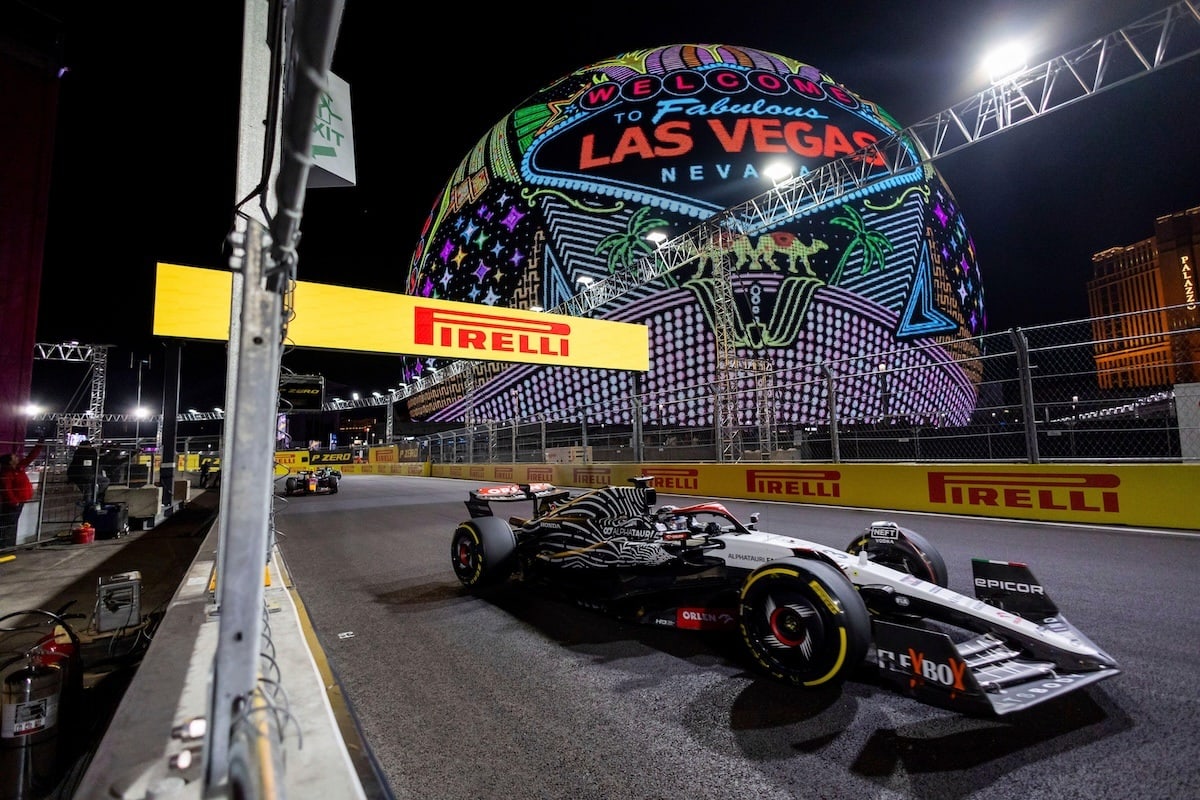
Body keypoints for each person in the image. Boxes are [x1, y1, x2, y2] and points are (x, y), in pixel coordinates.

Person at [0, 438, 46, 548]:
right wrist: (14, 502)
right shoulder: (7, 474)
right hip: (13, 504)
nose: (17, 458)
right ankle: (5, 547)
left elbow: (31, 457)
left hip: (19, 502)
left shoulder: (19, 467)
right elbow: (6, 490)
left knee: (12, 525)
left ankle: (9, 546)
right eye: (14, 457)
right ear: (10, 462)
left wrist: (39, 445)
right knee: (8, 525)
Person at [67, 439, 109, 507]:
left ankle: (91, 499)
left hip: (87, 475)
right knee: (102, 481)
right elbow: (95, 458)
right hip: (86, 475)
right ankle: (93, 498)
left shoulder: (80, 452)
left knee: (91, 484)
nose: (91, 446)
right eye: (89, 445)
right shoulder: (86, 452)